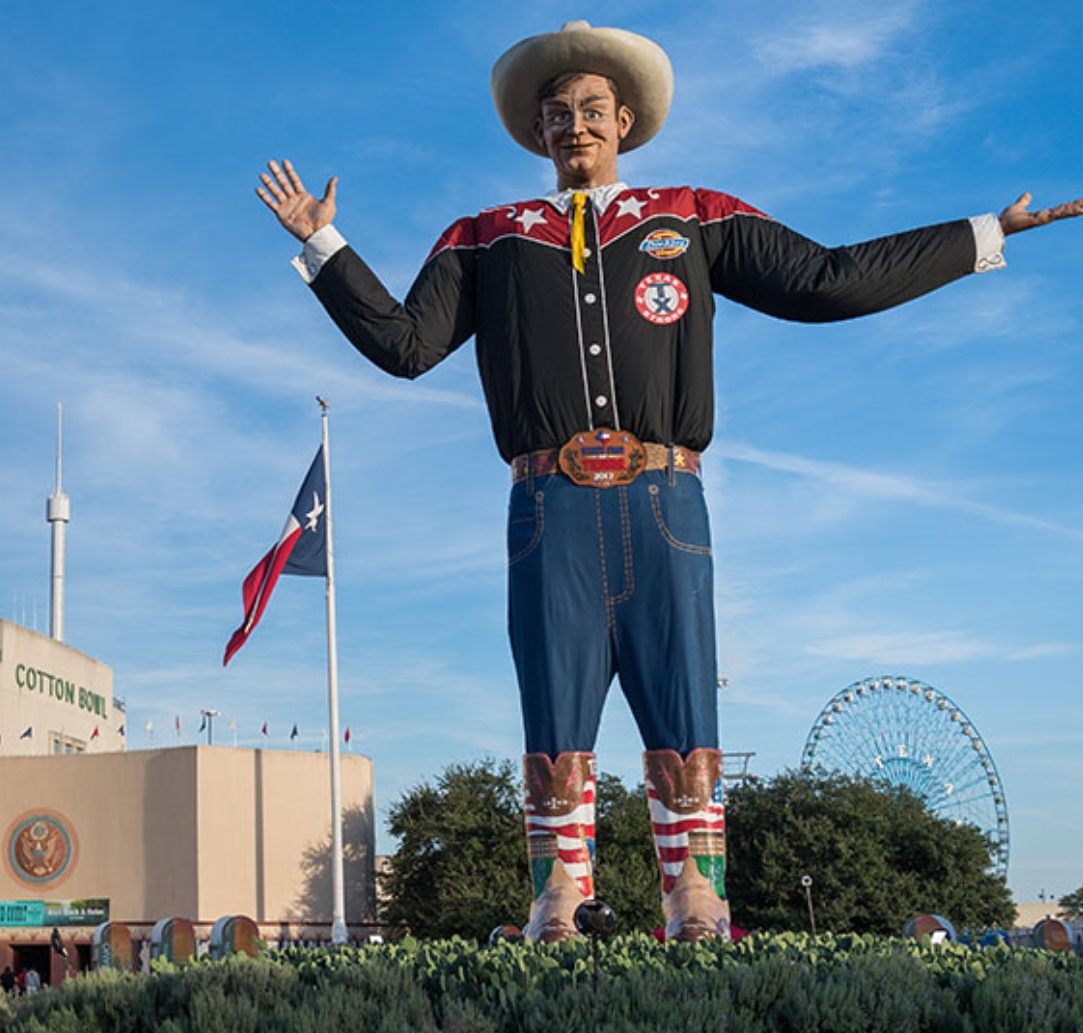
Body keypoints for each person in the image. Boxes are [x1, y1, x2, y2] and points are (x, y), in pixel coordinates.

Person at [257, 18, 1083, 944]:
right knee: (553, 708)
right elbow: (406, 347)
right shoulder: (486, 237)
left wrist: (983, 233)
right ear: (538, 131)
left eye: (594, 110)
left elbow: (826, 279)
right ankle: (557, 892)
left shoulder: (690, 214)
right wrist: (326, 246)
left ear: (628, 121)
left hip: (666, 496)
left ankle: (696, 890)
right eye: (558, 112)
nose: (576, 125)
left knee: (685, 700)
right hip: (547, 503)